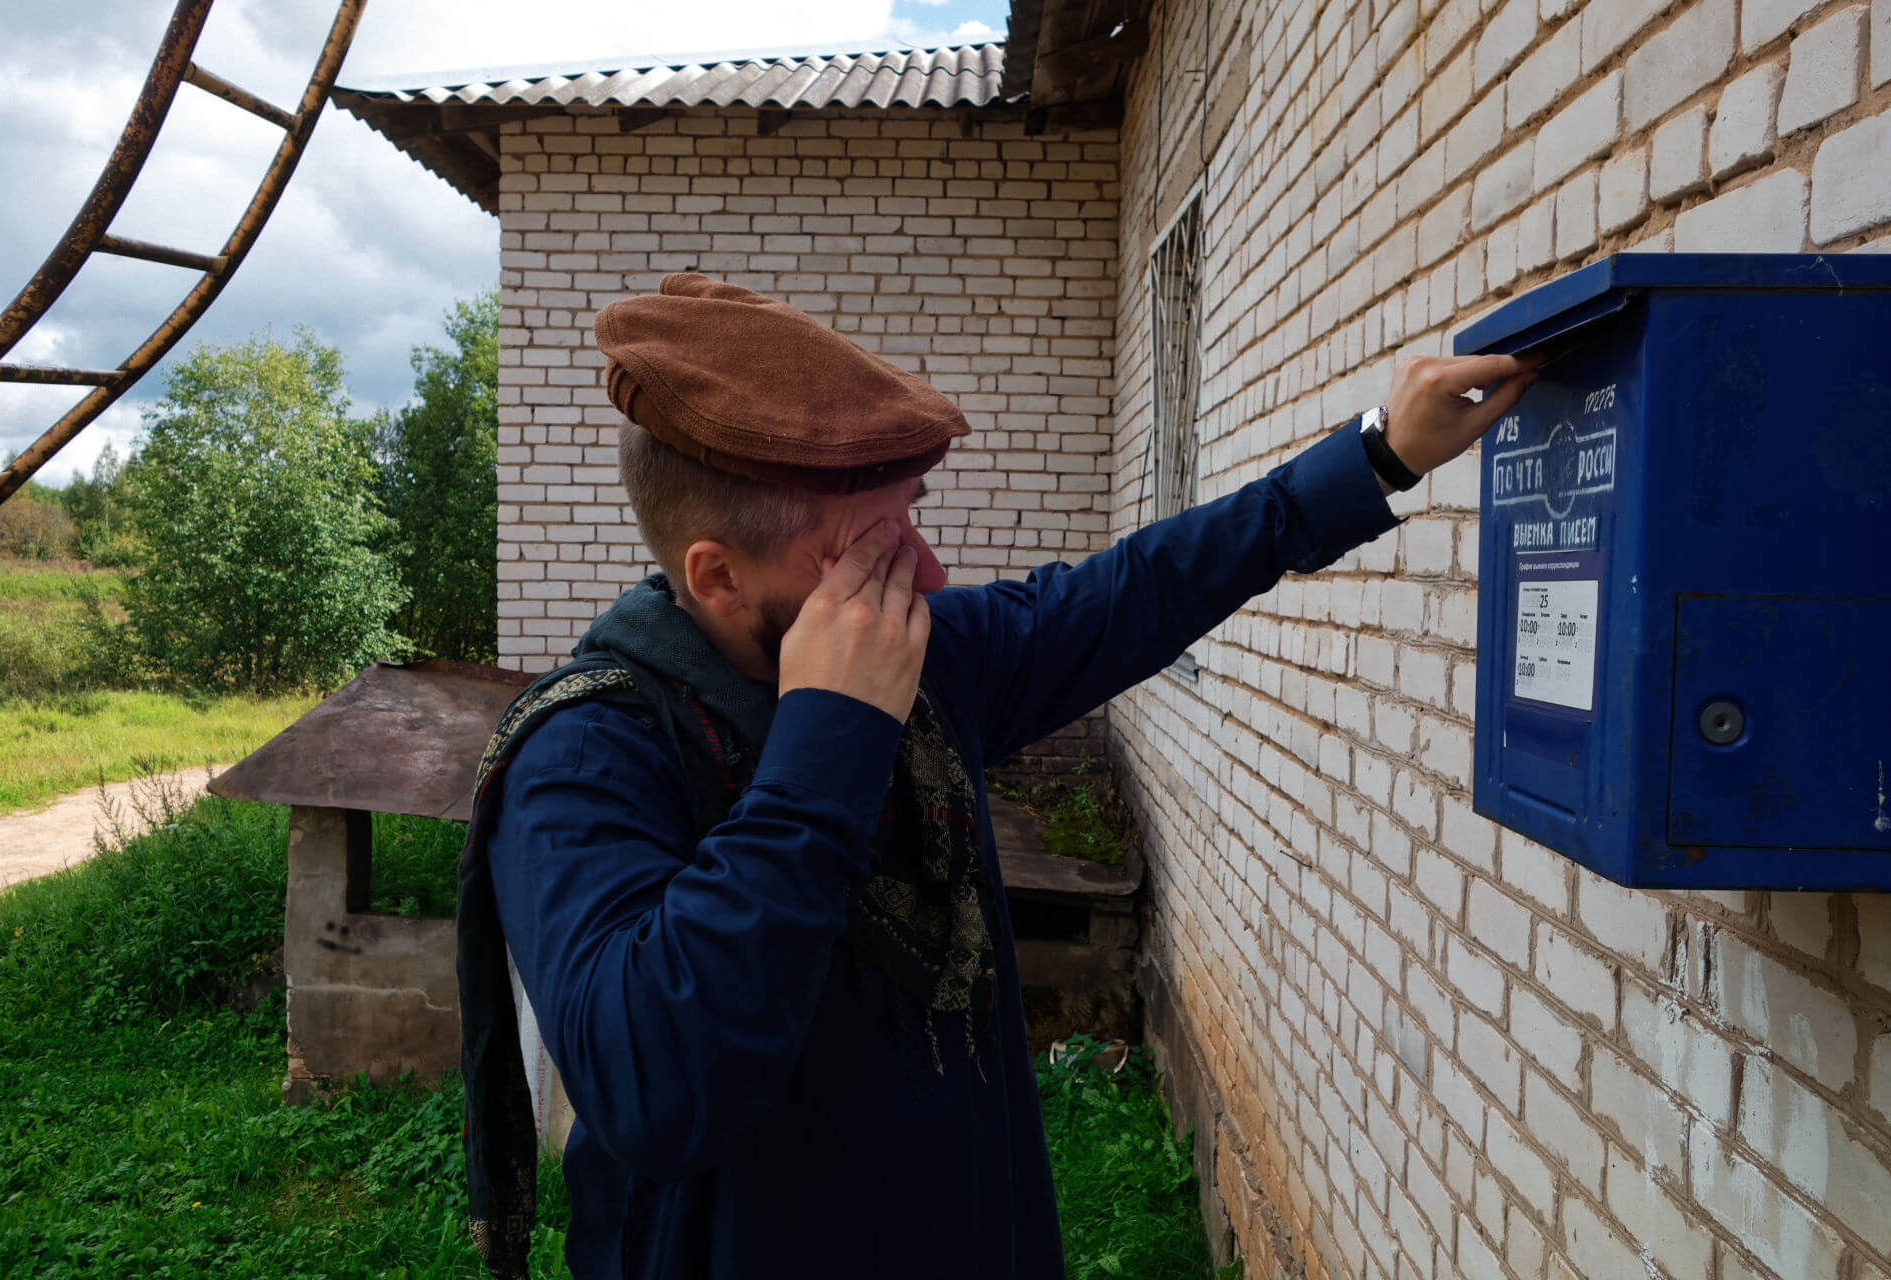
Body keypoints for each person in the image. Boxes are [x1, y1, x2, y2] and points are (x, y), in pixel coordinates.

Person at [455, 273, 1536, 1280]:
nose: (925, 571)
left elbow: (1128, 593)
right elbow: (655, 1081)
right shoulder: (584, 754)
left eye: (912, 517)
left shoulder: (928, 658)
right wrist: (827, 738)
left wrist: (1379, 455)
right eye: (872, 548)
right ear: (718, 576)